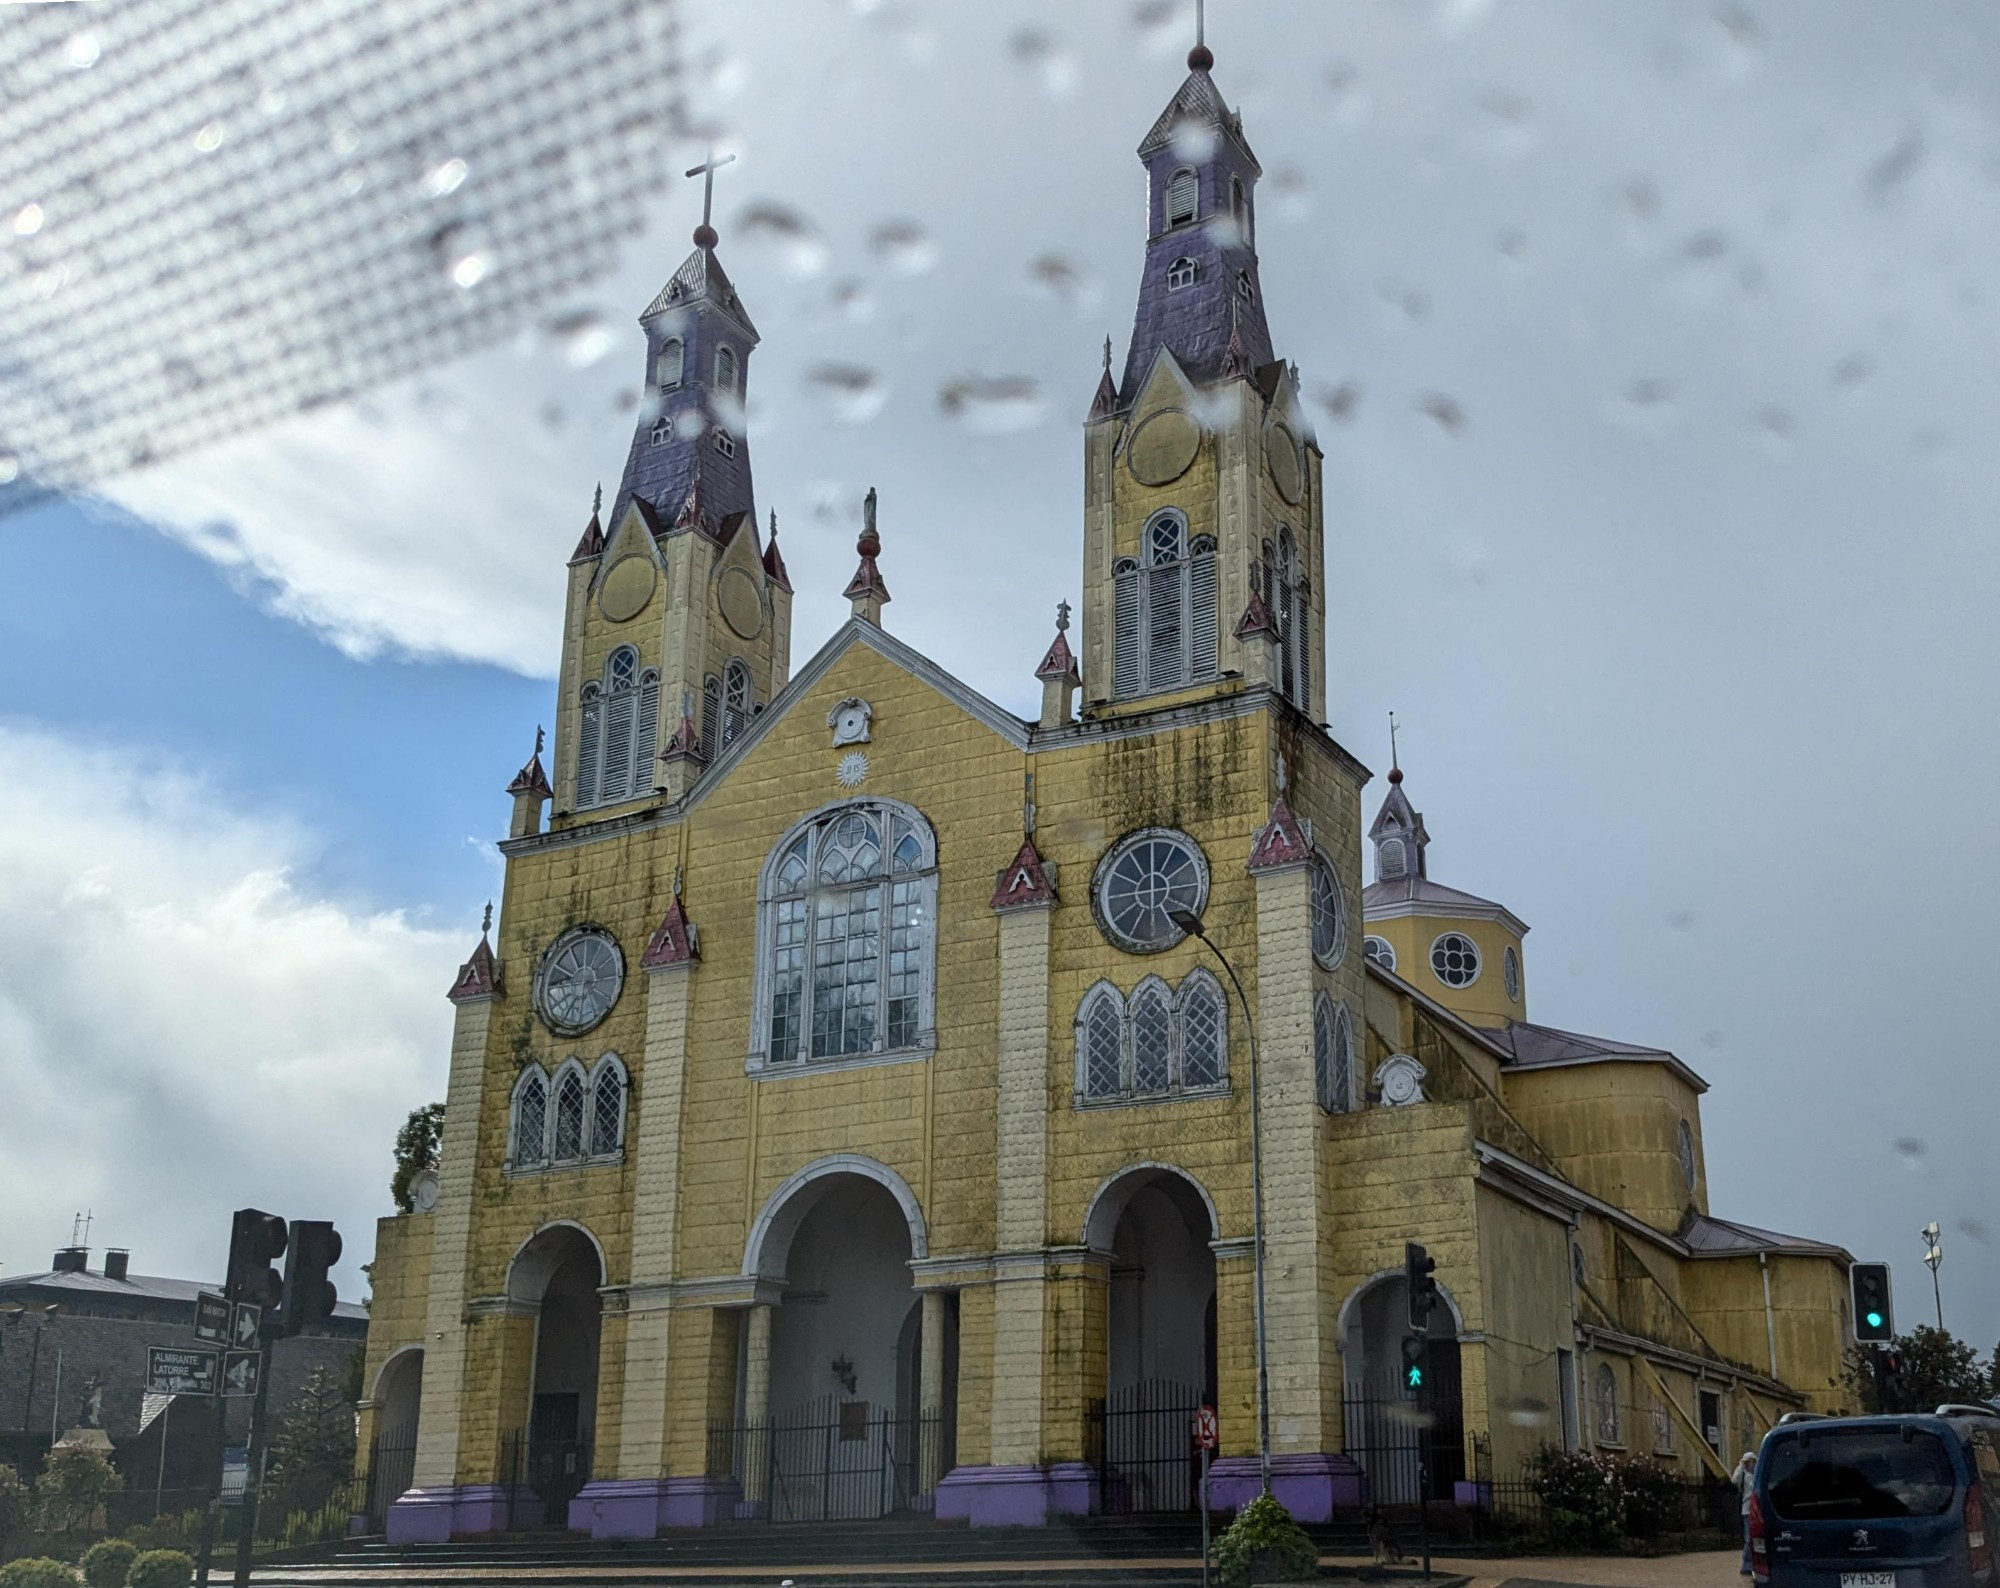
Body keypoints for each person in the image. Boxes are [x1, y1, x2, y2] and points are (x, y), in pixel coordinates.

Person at [1733, 1449, 1758, 1576]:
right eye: (1748, 1462)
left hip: (1757, 1509)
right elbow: (1734, 1481)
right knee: (1748, 1539)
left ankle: (1755, 1564)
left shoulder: (1758, 1473)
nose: (1750, 1464)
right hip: (1747, 1509)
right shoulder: (1743, 1474)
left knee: (1756, 1538)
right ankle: (1746, 1565)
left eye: (1751, 1462)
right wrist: (1740, 1467)